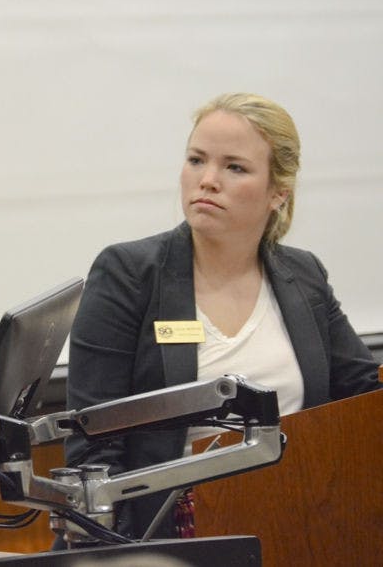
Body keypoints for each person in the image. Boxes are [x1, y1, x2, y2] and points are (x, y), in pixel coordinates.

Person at [64, 93, 381, 541]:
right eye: (197, 160)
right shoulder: (129, 273)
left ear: (278, 193)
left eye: (235, 167)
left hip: (296, 518)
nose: (208, 180)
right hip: (167, 532)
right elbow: (92, 442)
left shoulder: (303, 276)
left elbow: (366, 397)